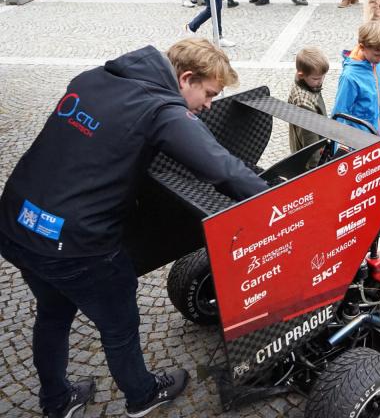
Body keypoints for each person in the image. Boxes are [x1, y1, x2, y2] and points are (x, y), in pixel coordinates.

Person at [0, 38, 269, 418]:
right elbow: (222, 168)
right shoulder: (161, 110)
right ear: (186, 78)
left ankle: (56, 400)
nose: (208, 104)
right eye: (208, 93)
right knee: (119, 324)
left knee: (53, 312)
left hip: (18, 220)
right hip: (78, 242)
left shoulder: (94, 78)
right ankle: (142, 395)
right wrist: (281, 198)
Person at [332, 21, 380, 135]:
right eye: (377, 55)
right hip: (361, 136)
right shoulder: (350, 77)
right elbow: (340, 112)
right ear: (362, 47)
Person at [288, 46, 330, 168]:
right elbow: (310, 143)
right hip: (310, 161)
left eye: (323, 76)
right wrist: (315, 167)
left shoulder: (309, 83)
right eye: (316, 78)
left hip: (320, 142)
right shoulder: (303, 103)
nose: (321, 81)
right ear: (301, 75)